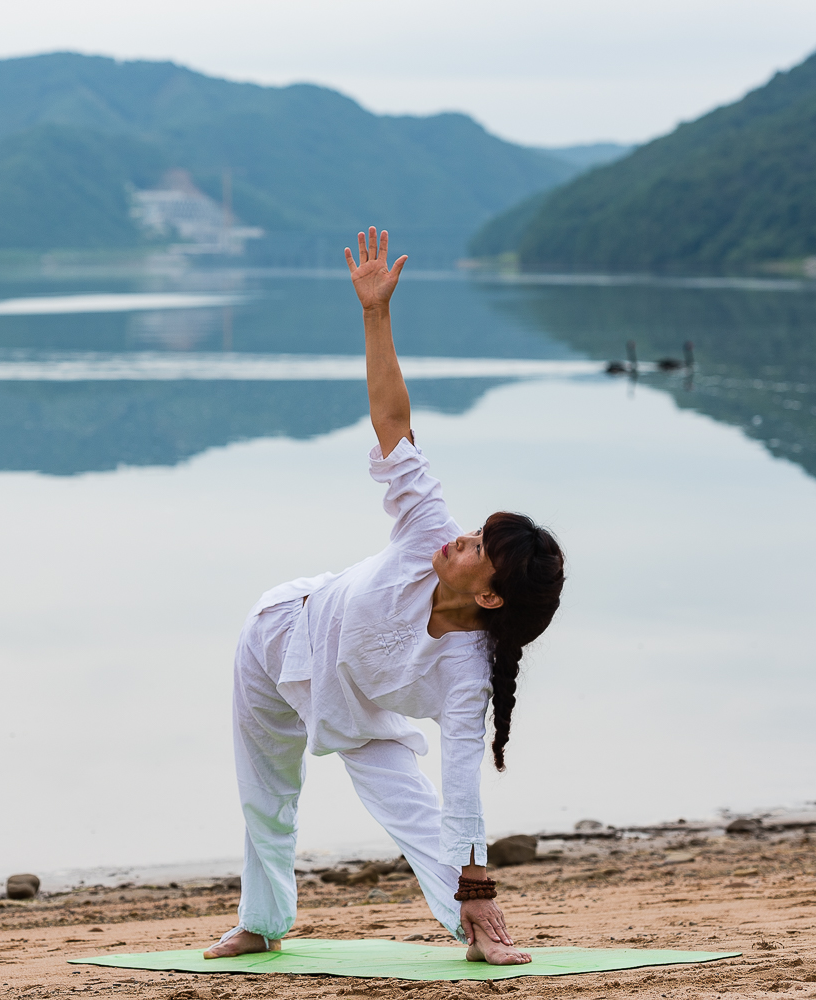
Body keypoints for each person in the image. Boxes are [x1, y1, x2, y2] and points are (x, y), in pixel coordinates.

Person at [205, 228, 566, 966]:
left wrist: (479, 880)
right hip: (277, 638)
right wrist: (375, 313)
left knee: (423, 818)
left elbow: (461, 784)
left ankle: (475, 927)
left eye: (477, 550)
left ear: (492, 599)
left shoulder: (466, 676)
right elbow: (394, 423)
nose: (458, 540)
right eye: (471, 533)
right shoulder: (423, 533)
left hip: (357, 712)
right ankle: (262, 922)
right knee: (264, 797)